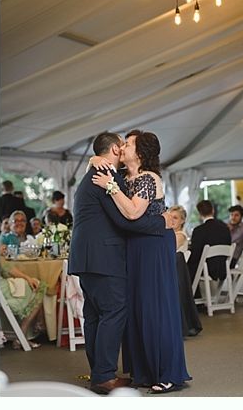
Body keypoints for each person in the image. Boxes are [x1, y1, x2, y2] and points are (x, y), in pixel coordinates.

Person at [68, 132, 171, 395]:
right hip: (104, 258)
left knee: (94, 316)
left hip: (86, 257)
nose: (125, 147)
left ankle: (99, 373)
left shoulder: (94, 171)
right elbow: (126, 220)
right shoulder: (106, 175)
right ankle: (104, 376)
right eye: (122, 144)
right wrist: (163, 222)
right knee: (113, 313)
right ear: (115, 149)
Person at [91, 130, 191, 393]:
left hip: (154, 248)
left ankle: (168, 372)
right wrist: (93, 161)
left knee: (155, 308)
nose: (122, 147)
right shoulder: (124, 177)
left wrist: (110, 187)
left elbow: (134, 212)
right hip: (133, 248)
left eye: (129, 143)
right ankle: (144, 371)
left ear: (142, 153)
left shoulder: (149, 179)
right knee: (137, 308)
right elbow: (100, 165)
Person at [167, 205, 202, 338]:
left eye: (175, 218)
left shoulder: (180, 236)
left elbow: (168, 248)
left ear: (182, 221)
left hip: (176, 278)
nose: (172, 220)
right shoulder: (169, 233)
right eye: (170, 217)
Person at [0, 257, 47, 348]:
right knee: (39, 286)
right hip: (3, 294)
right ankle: (23, 334)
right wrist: (28, 278)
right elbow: (9, 269)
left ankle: (28, 331)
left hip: (0, 293)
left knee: (32, 286)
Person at [187, 200, 231, 285]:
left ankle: (191, 296)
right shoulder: (225, 228)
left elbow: (195, 254)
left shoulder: (198, 231)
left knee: (184, 266)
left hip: (206, 269)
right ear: (213, 210)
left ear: (200, 214)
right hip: (223, 268)